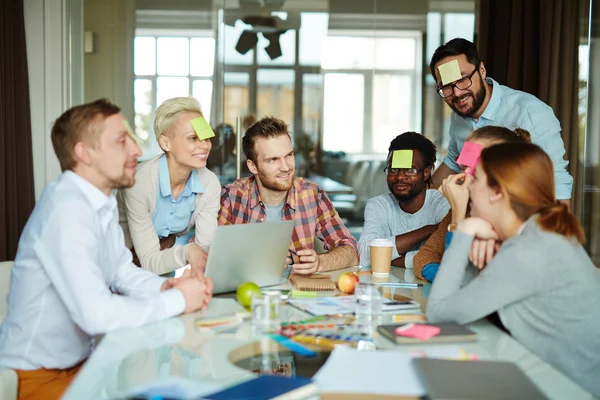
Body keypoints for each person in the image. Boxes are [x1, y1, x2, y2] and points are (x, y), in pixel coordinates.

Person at [0, 99, 213, 400]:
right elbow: (96, 314)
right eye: (121, 141)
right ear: (84, 153)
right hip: (36, 375)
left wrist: (166, 285)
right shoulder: (67, 210)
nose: (137, 151)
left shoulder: (99, 203)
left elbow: (122, 273)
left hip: (83, 364)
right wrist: (178, 299)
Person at [426, 143, 600, 396]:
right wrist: (478, 235)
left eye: (475, 178)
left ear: (497, 193)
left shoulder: (528, 250)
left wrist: (464, 229)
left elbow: (440, 311)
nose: (468, 185)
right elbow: (468, 296)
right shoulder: (537, 233)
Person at [429, 38, 573, 207]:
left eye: (462, 79)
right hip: (475, 214)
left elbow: (555, 179)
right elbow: (454, 161)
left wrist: (556, 230)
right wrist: (421, 198)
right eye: (446, 86)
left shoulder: (530, 113)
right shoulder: (459, 115)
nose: (457, 93)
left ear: (482, 70)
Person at [219, 116, 359, 274]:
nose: (285, 167)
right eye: (273, 160)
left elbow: (351, 249)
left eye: (289, 155)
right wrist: (255, 261)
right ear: (253, 166)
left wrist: (320, 262)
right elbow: (205, 254)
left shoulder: (312, 195)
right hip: (243, 292)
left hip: (295, 293)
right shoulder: (231, 197)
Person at [117, 97, 221, 276]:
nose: (204, 145)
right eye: (193, 138)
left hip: (164, 263)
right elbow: (149, 260)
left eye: (206, 137)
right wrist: (188, 252)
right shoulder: (139, 183)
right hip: (122, 265)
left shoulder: (209, 182)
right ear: (165, 143)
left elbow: (206, 247)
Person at [413, 126, 531, 281]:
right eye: (464, 164)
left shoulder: (519, 222)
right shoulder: (467, 204)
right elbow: (424, 257)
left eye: (475, 165)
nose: (465, 174)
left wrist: (458, 216)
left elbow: (480, 284)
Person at [358, 132, 449, 269]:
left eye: (410, 170)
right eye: (394, 169)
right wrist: (428, 230)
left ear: (426, 173)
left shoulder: (441, 203)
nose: (400, 177)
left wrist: (387, 259)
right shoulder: (377, 205)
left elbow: (446, 255)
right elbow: (365, 255)